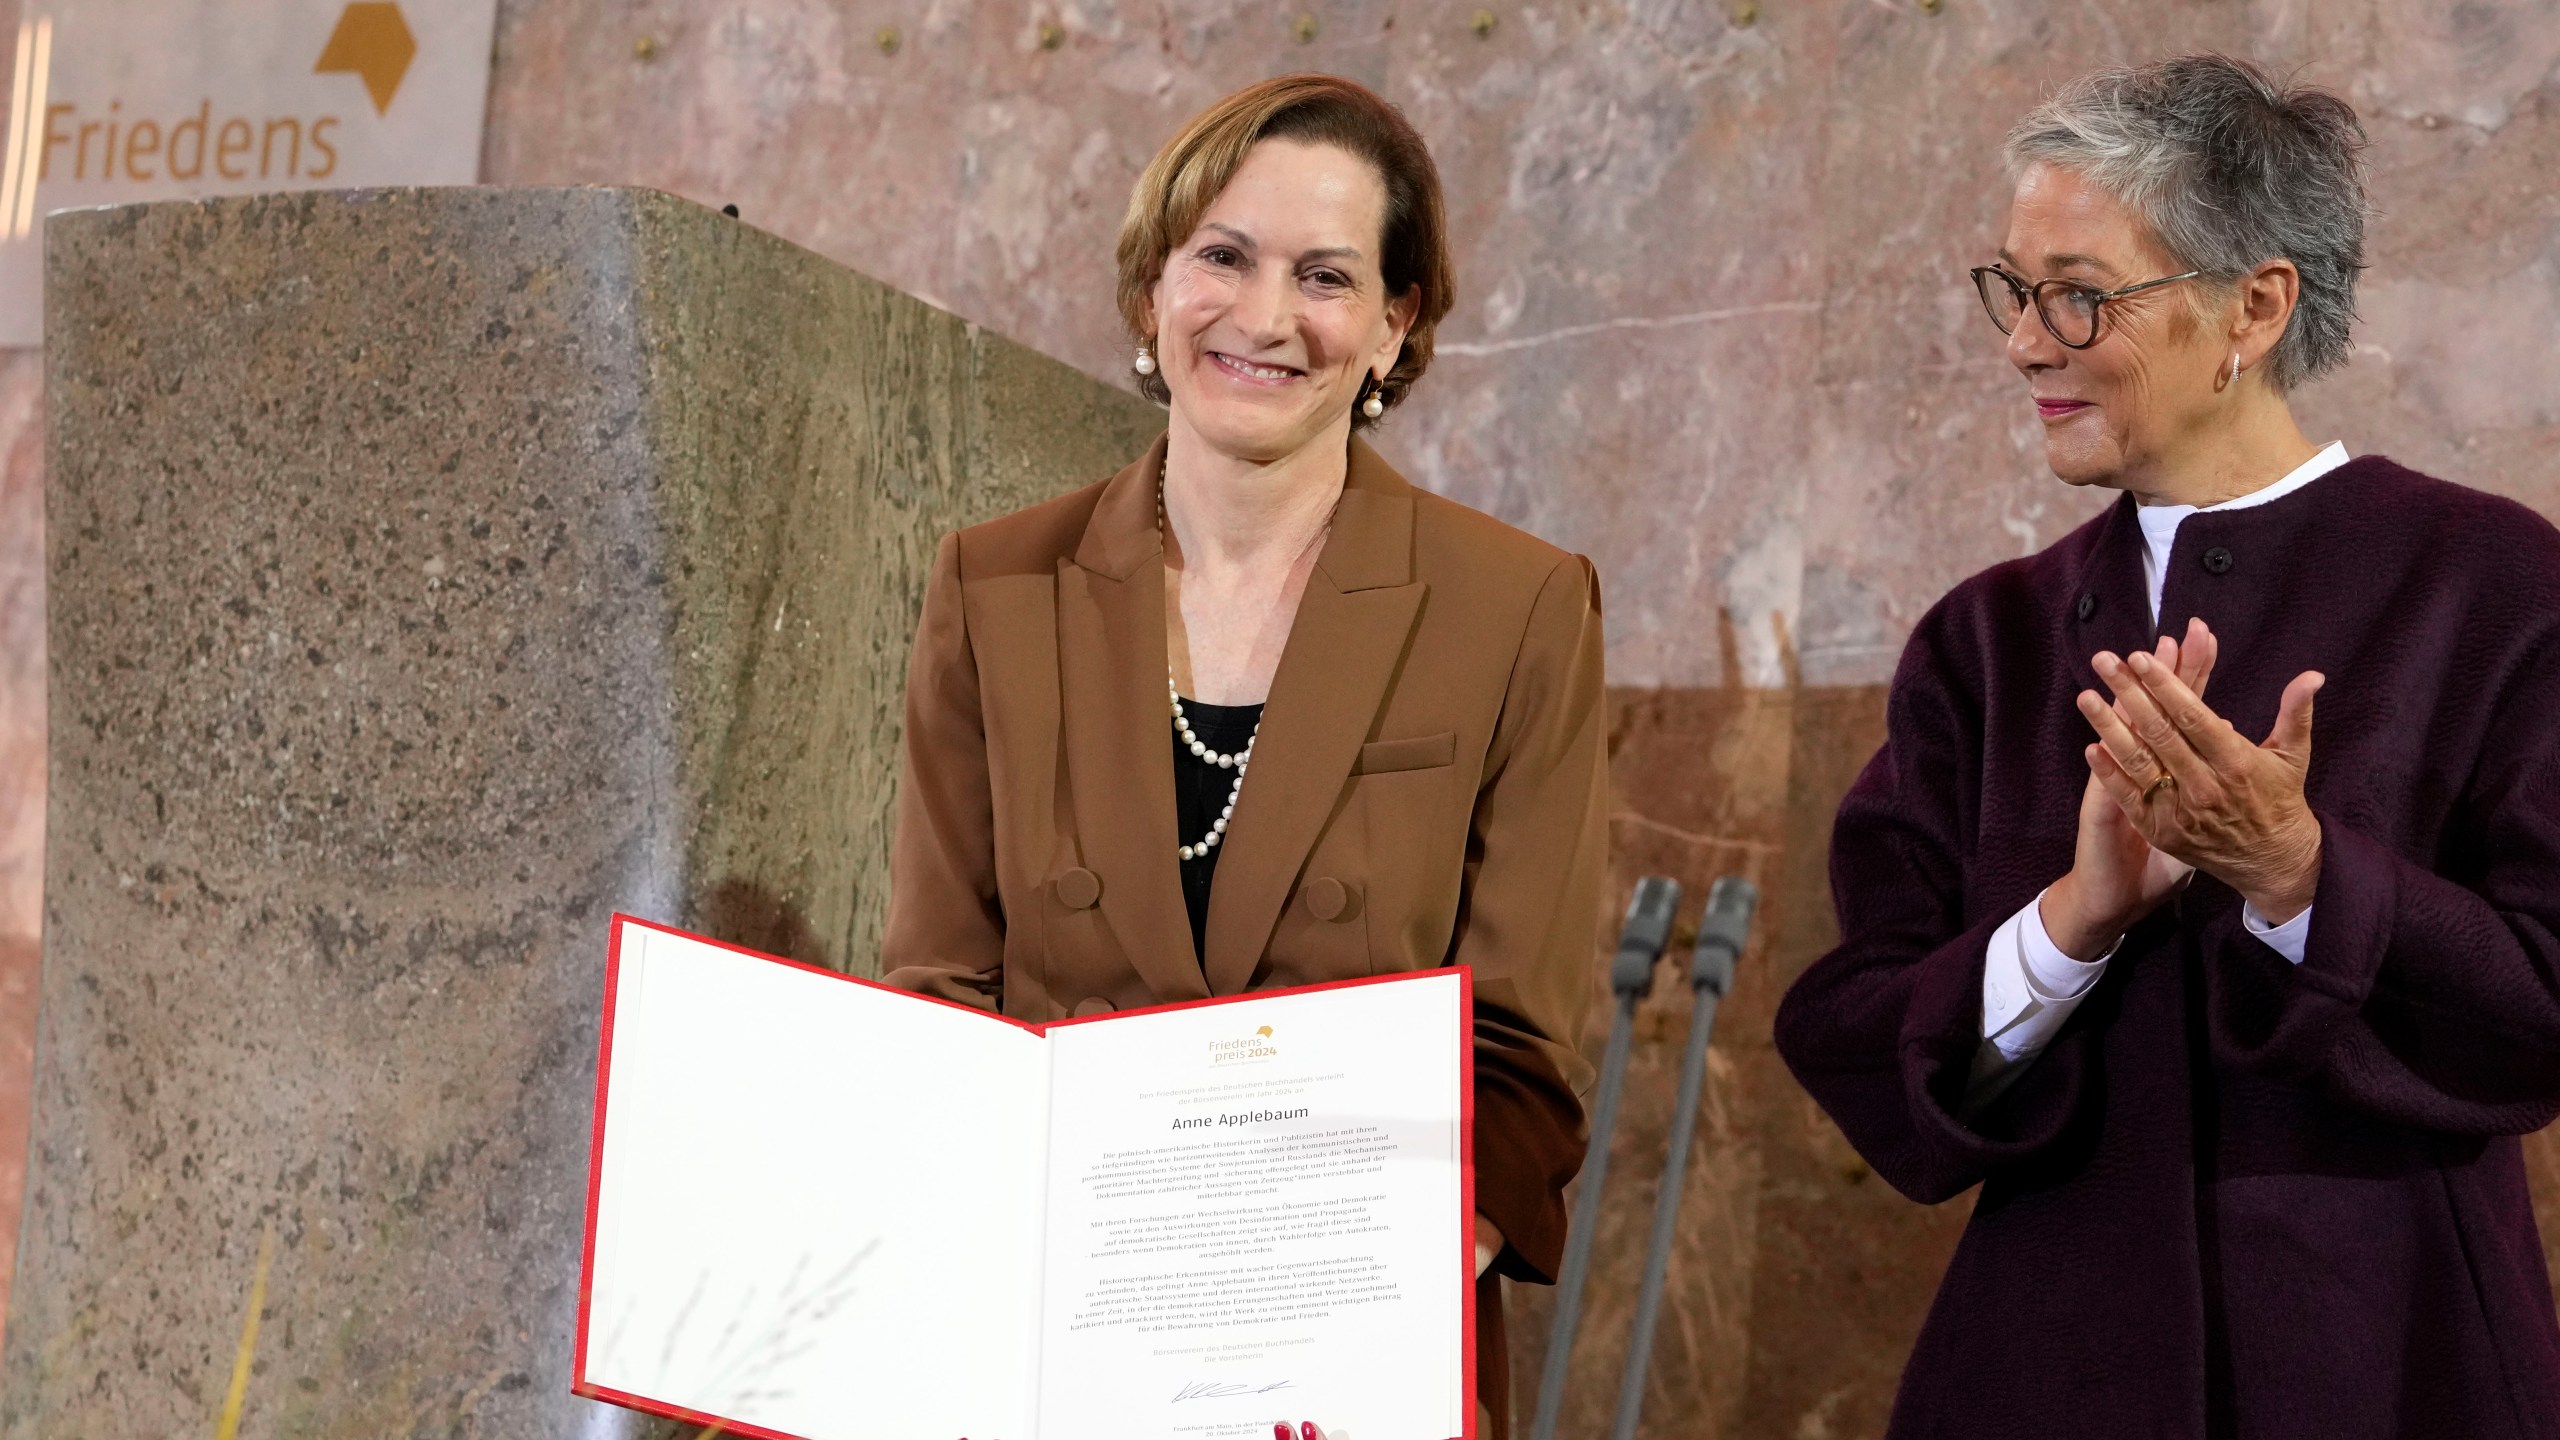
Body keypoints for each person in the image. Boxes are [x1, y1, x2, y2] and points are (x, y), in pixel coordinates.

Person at [1774, 54, 2560, 1438]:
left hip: (2394, 1360)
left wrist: (2302, 873)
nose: (2024, 341)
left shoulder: (2492, 585)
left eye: (2080, 294)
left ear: (2253, 305)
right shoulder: (1985, 643)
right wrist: (2070, 924)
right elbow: (1856, 1034)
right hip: (2041, 1372)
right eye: (2014, 291)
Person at [879, 74, 1609, 1439]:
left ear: (1394, 327)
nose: (1265, 317)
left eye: (1326, 277)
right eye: (1224, 256)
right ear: (1157, 285)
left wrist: (1347, 1307)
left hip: (1351, 1368)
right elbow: (941, 989)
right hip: (1051, 1352)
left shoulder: (1514, 605)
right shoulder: (994, 584)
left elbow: (1523, 1051)